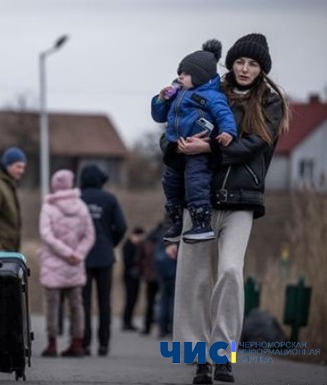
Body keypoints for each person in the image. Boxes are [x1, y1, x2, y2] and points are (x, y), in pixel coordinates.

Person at [163, 33, 289, 384]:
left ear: (262, 68)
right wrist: (179, 147)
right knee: (192, 279)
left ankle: (223, 354)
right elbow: (169, 129)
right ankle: (198, 358)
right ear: (230, 63)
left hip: (242, 200)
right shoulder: (206, 88)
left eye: (253, 63)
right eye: (240, 62)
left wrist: (209, 151)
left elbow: (254, 145)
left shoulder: (270, 101)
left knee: (231, 272)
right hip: (197, 198)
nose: (245, 68)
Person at [151, 39, 238, 244]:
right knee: (170, 183)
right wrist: (161, 99)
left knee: (195, 183)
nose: (180, 77)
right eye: (180, 73)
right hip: (176, 147)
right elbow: (159, 117)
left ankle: (201, 223)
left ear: (199, 76)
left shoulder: (212, 96)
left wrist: (228, 132)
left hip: (199, 150)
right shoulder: (177, 94)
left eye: (186, 74)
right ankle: (176, 221)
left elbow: (225, 116)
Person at [38, 169, 95, 358]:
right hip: (75, 264)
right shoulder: (81, 206)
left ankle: (52, 344)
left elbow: (46, 234)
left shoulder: (48, 206)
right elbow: (89, 235)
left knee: (52, 305)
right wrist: (77, 254)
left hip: (53, 263)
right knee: (77, 305)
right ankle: (77, 344)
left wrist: (65, 252)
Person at [79, 164, 127, 357]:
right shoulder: (109, 199)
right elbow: (122, 226)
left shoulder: (77, 199)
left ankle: (85, 342)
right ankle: (104, 344)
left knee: (84, 302)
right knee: (104, 302)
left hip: (81, 257)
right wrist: (110, 243)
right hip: (105, 256)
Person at [148, 222, 177, 338]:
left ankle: (162, 327)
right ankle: (172, 326)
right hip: (173, 269)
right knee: (173, 300)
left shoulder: (160, 234)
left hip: (162, 271)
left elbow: (149, 238)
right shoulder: (175, 233)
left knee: (163, 299)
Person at [121, 227, 145, 331]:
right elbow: (128, 261)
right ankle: (126, 321)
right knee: (130, 299)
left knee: (134, 299)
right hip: (129, 276)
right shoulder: (128, 245)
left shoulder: (137, 246)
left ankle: (129, 321)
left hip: (135, 276)